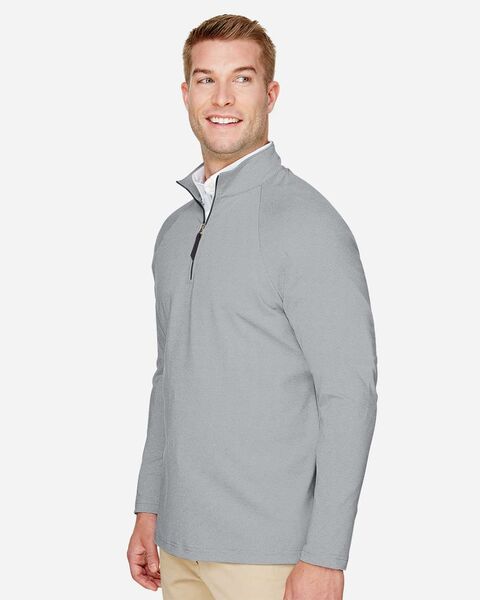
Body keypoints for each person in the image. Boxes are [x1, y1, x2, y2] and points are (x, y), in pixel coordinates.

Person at [127, 13, 378, 600]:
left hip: (272, 559)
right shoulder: (175, 231)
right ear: (186, 94)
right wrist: (149, 506)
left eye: (241, 79)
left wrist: (325, 556)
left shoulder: (307, 224)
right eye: (206, 79)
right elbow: (169, 378)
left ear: (271, 94)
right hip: (178, 548)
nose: (222, 98)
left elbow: (349, 393)